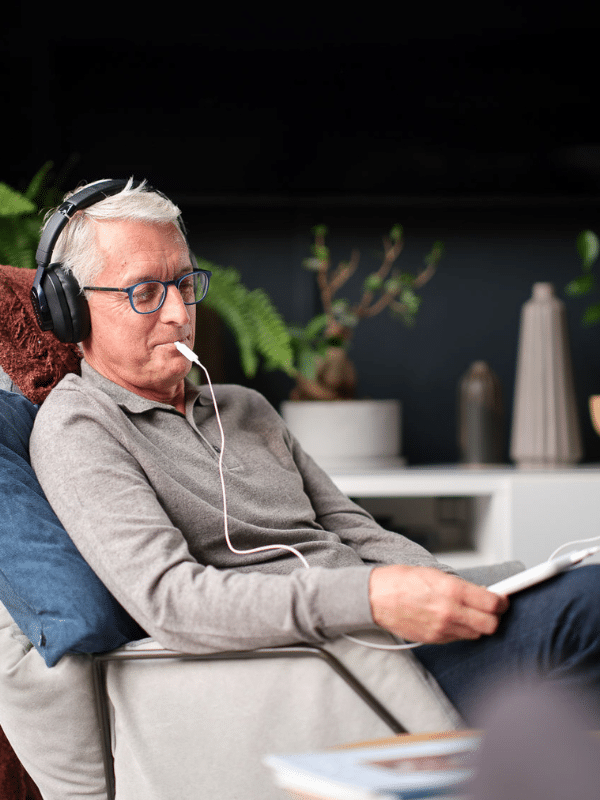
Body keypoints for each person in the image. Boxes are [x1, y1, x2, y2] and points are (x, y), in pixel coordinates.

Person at [28, 179, 600, 727]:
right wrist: (371, 598)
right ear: (73, 311)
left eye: (183, 284)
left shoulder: (245, 409)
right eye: (145, 291)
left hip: (393, 634)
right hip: (327, 665)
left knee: (573, 585)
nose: (179, 313)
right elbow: (174, 603)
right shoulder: (80, 427)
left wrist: (454, 590)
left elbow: (359, 532)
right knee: (588, 607)